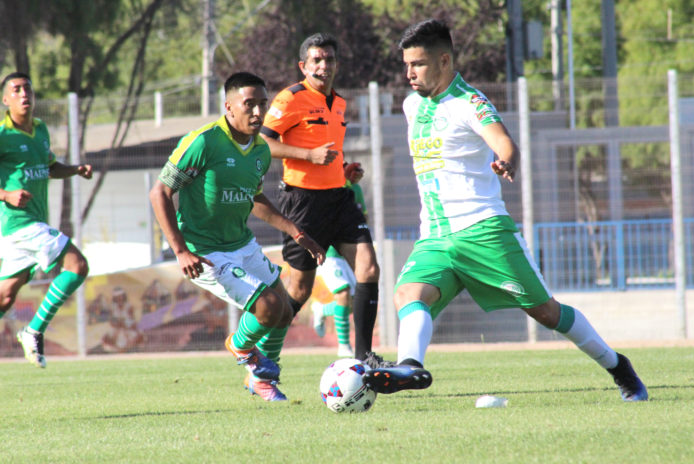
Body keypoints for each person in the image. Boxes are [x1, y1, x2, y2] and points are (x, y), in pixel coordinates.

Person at [362, 19, 648, 402]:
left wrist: (506, 161)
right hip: (434, 234)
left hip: (483, 230)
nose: (409, 73)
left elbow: (503, 142)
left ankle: (619, 367)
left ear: (444, 61)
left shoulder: (471, 102)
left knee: (546, 313)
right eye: (407, 65)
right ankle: (411, 367)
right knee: (407, 294)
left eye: (418, 64)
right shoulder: (412, 105)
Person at [149, 72, 325, 402]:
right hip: (206, 252)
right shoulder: (203, 142)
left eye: (263, 104)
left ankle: (262, 380)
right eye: (250, 105)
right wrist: (180, 250)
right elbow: (159, 192)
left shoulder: (259, 150)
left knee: (285, 311)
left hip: (242, 244)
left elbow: (254, 198)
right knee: (268, 306)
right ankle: (240, 346)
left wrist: (295, 231)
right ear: (229, 106)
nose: (258, 113)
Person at [261, 32, 382, 365]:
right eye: (316, 60)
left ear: (336, 64)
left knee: (369, 268)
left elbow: (327, 153)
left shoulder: (339, 103)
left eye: (329, 59)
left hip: (339, 198)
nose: (323, 65)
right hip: (302, 202)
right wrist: (307, 155)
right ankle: (258, 349)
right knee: (299, 290)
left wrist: (344, 170)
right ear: (304, 65)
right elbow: (263, 144)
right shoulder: (289, 99)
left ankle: (365, 356)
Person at [0, 72, 92, 368]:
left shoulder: (40, 130)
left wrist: (75, 169)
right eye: (16, 90)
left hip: (31, 224)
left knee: (5, 296)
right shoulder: (2, 134)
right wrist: (5, 195)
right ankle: (34, 330)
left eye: (28, 88)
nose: (24, 94)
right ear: (5, 100)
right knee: (77, 266)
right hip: (20, 223)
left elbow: (50, 167)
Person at [311, 163, 366, 358]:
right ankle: (344, 346)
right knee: (343, 294)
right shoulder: (326, 187)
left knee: (352, 302)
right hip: (329, 252)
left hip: (349, 252)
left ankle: (321, 309)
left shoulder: (356, 189)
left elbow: (363, 217)